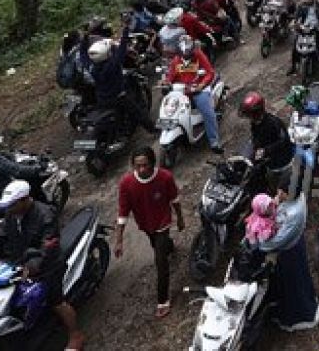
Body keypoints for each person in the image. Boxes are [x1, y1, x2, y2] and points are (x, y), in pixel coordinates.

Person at [0, 180, 83, 350]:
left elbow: (48, 246)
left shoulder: (46, 214)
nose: (8, 208)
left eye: (11, 204)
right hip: (19, 262)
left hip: (49, 266)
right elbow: (0, 236)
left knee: (56, 302)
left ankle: (75, 334)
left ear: (24, 199)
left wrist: (34, 264)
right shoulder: (11, 213)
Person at [243, 174, 319, 331]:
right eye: (278, 191)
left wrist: (261, 245)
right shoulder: (289, 200)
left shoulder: (295, 214)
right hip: (286, 248)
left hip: (289, 251)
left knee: (293, 283)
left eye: (282, 193)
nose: (278, 196)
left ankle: (298, 317)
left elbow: (279, 240)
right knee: (287, 280)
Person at [114, 146, 185, 319]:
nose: (142, 169)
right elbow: (123, 212)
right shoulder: (127, 184)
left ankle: (163, 300)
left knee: (160, 261)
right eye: (138, 166)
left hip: (163, 222)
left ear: (153, 163)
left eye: (145, 165)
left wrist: (180, 218)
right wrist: (119, 239)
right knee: (157, 244)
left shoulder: (165, 177)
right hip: (146, 224)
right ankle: (169, 246)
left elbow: (174, 199)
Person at [87, 23, 157, 135]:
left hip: (102, 99)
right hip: (118, 96)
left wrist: (86, 37)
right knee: (137, 112)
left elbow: (83, 55)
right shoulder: (112, 66)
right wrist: (125, 30)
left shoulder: (91, 67)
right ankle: (153, 130)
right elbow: (122, 49)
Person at [163, 36, 223, 153]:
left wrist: (202, 84)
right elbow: (170, 75)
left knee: (207, 112)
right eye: (183, 54)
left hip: (198, 89)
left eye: (188, 53)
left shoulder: (198, 55)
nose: (186, 56)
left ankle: (214, 141)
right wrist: (166, 83)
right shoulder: (176, 60)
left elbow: (209, 72)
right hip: (181, 91)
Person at [288, 0, 319, 76]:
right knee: (295, 45)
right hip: (304, 28)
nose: (307, 0)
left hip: (316, 28)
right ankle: (293, 67)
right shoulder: (301, 5)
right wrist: (296, 23)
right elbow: (296, 16)